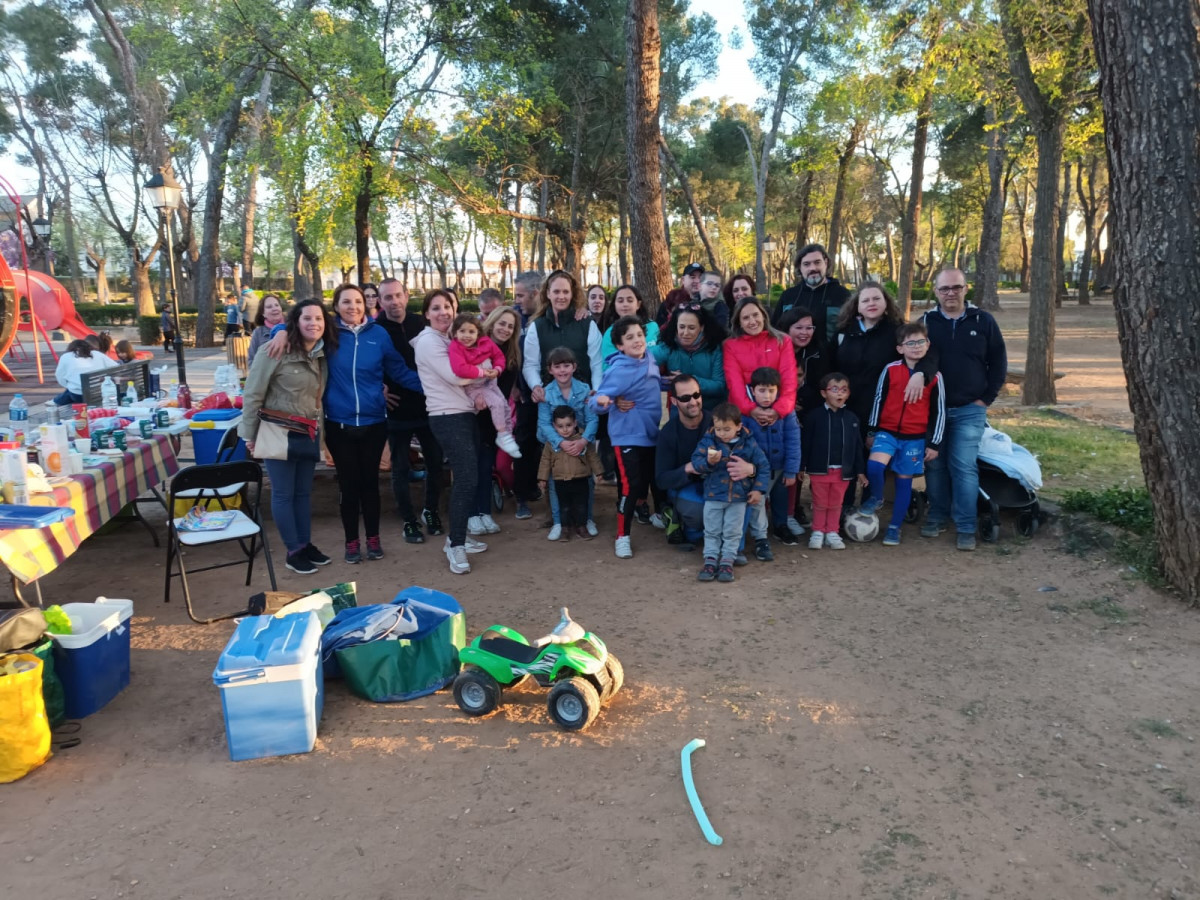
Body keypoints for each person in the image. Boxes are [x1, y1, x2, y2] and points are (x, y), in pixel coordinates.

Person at [307, 284, 423, 563]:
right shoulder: (328, 333)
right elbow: (299, 330)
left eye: (358, 301)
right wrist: (281, 331)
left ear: (367, 305)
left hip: (374, 422)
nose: (353, 307)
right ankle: (351, 542)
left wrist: (434, 387)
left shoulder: (379, 334)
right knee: (349, 486)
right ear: (336, 306)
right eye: (346, 302)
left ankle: (373, 539)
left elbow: (398, 370)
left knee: (370, 484)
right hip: (338, 423)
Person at [239, 299, 333, 575]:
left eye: (318, 319)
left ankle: (304, 544)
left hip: (307, 431)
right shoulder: (274, 350)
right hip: (276, 432)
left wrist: (323, 439)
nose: (313, 324)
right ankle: (293, 551)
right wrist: (249, 435)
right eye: (307, 318)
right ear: (295, 322)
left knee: (303, 493)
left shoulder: (320, 353)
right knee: (283, 493)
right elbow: (252, 394)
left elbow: (318, 400)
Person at [920, 268, 1007, 551]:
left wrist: (986, 399)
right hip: (935, 410)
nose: (950, 293)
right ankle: (937, 515)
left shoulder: (983, 320)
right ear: (935, 291)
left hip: (970, 409)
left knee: (964, 467)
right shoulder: (927, 322)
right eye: (944, 289)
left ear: (965, 288)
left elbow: (998, 362)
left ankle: (966, 526)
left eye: (956, 287)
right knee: (934, 466)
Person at [833, 281, 935, 510]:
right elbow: (831, 368)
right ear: (856, 306)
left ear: (886, 303)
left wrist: (921, 374)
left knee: (872, 459)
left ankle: (870, 505)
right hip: (846, 407)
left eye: (876, 298)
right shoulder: (844, 333)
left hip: (881, 409)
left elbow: (925, 352)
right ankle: (844, 506)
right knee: (847, 458)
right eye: (865, 300)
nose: (871, 303)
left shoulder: (896, 331)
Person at [413, 289, 489, 575]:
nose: (443, 312)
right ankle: (455, 544)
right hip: (448, 416)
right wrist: (486, 373)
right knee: (467, 476)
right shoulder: (428, 342)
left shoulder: (451, 339)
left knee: (468, 477)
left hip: (465, 414)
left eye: (448, 306)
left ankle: (458, 534)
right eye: (436, 308)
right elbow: (456, 375)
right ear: (427, 314)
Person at [861, 322, 946, 546]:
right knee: (875, 466)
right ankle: (877, 497)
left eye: (920, 342)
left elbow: (939, 412)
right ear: (900, 348)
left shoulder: (935, 377)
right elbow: (878, 400)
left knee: (904, 482)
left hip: (914, 438)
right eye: (910, 343)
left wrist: (935, 443)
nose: (916, 347)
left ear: (928, 345)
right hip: (887, 432)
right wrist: (872, 430)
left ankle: (894, 528)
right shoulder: (890, 369)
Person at [589, 316, 665, 560]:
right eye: (630, 338)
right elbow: (597, 401)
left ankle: (653, 513)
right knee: (629, 488)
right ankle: (622, 536)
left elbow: (652, 383)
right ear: (620, 345)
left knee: (649, 480)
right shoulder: (619, 370)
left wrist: (672, 383)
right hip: (627, 437)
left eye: (640, 335)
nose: (637, 341)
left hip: (651, 434)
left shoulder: (650, 357)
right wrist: (603, 402)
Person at [376, 278, 445, 544]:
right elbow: (368, 365)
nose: (393, 302)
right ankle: (409, 520)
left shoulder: (422, 324)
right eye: (387, 298)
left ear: (406, 295)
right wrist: (378, 388)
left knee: (435, 463)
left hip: (429, 407)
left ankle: (431, 511)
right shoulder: (376, 329)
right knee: (400, 468)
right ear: (380, 301)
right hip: (396, 409)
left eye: (397, 295)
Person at [689, 402, 771, 583]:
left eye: (727, 429)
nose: (722, 433)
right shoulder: (708, 441)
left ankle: (727, 561)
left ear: (739, 427)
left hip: (739, 498)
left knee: (733, 531)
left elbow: (764, 466)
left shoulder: (749, 444)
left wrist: (758, 489)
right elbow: (696, 463)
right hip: (713, 496)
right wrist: (709, 462)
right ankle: (710, 560)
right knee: (711, 530)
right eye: (718, 428)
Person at [468, 305, 524, 536]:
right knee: (470, 469)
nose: (505, 329)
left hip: (492, 418)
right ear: (491, 322)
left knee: (484, 467)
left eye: (510, 326)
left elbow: (502, 391)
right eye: (502, 323)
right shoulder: (474, 346)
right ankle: (471, 514)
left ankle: (484, 512)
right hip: (470, 413)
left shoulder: (510, 357)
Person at [536, 347, 598, 540]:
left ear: (574, 367)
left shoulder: (585, 389)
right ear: (550, 370)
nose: (562, 370)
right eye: (557, 366)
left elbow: (593, 419)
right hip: (554, 444)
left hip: (581, 441)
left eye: (566, 365)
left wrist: (583, 441)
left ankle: (586, 519)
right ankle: (558, 522)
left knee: (586, 482)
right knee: (556, 484)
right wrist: (560, 443)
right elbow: (544, 423)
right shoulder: (546, 393)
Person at [778, 306, 831, 535]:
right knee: (783, 463)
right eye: (798, 327)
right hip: (782, 412)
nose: (804, 332)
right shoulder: (778, 348)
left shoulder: (820, 351)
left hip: (811, 413)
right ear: (786, 328)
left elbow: (824, 381)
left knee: (800, 464)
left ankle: (793, 508)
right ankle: (781, 511)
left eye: (809, 327)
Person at [801, 373, 867, 551]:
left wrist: (860, 471)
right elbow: (806, 443)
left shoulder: (852, 419)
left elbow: (858, 447)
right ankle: (817, 532)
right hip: (819, 469)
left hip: (843, 472)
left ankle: (832, 532)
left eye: (843, 390)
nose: (839, 394)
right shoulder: (814, 417)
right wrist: (801, 466)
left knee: (836, 503)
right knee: (820, 502)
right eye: (834, 389)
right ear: (824, 393)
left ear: (848, 393)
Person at [447, 313, 522, 458]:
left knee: (502, 404)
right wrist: (482, 372)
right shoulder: (457, 347)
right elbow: (459, 369)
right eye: (462, 331)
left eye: (510, 326)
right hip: (475, 392)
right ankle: (503, 434)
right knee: (497, 404)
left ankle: (506, 434)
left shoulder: (488, 343)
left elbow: (499, 357)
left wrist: (497, 369)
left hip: (489, 386)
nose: (467, 335)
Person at [741, 367, 801, 548]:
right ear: (752, 390)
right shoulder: (746, 414)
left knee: (780, 496)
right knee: (758, 500)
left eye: (771, 390)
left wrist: (791, 470)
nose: (767, 396)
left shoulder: (787, 413)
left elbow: (793, 441)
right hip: (757, 469)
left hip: (780, 465)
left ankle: (780, 525)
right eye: (762, 390)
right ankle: (759, 534)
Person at [522, 269, 603, 391]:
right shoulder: (537, 327)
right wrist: (536, 386)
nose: (561, 296)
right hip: (549, 400)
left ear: (572, 294)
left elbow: (597, 364)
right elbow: (531, 364)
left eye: (566, 292)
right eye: (556, 291)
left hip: (584, 398)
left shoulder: (587, 324)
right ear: (548, 294)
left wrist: (596, 391)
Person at [723, 296, 798, 427]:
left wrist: (779, 409)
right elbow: (734, 383)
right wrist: (751, 409)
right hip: (745, 415)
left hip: (778, 412)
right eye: (746, 318)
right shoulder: (730, 346)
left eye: (755, 315)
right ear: (739, 322)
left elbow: (789, 378)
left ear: (763, 315)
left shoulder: (782, 341)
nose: (752, 321)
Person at [537, 406, 604, 541]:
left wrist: (599, 471)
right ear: (554, 426)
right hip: (560, 481)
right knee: (564, 506)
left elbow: (592, 456)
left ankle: (582, 527)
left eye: (568, 425)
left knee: (582, 505)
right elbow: (545, 461)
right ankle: (564, 528)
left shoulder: (583, 440)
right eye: (560, 426)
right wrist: (542, 478)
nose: (565, 429)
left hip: (581, 479)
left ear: (575, 423)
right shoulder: (551, 443)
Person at [510, 272, 545, 517]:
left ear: (535, 294)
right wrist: (513, 384)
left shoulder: (550, 316)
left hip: (552, 391)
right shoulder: (513, 317)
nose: (517, 300)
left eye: (520, 295)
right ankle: (522, 494)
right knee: (525, 441)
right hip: (524, 393)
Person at [770, 243, 851, 344]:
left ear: (825, 263)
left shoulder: (842, 295)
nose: (812, 268)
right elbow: (775, 329)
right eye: (806, 264)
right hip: (792, 357)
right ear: (800, 267)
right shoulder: (788, 296)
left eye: (817, 262)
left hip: (830, 358)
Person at [653, 302, 727, 411]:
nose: (685, 333)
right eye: (681, 327)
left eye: (691, 328)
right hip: (681, 410)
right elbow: (641, 360)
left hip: (712, 410)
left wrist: (688, 380)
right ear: (676, 326)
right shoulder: (669, 346)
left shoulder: (714, 348)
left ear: (701, 327)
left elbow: (720, 386)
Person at [599, 284, 659, 367]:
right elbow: (608, 366)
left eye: (630, 300)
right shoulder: (610, 333)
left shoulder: (653, 326)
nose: (625, 304)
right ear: (614, 305)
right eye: (620, 301)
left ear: (638, 304)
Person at [53, 339, 117, 404]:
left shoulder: (66, 356)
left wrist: (68, 385)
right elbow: (116, 366)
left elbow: (59, 375)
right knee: (70, 391)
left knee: (70, 391)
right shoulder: (98, 354)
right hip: (99, 393)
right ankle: (58, 399)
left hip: (78, 396)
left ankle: (56, 401)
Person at [247, 293, 286, 365]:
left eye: (277, 305)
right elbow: (251, 360)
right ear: (263, 313)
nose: (274, 308)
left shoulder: (293, 327)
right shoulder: (258, 333)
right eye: (269, 307)